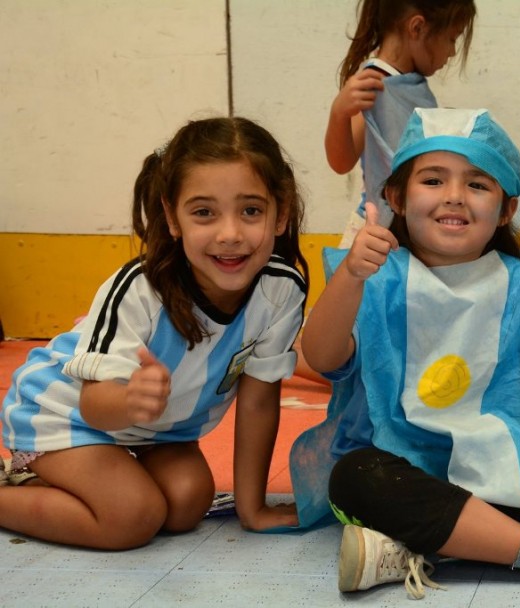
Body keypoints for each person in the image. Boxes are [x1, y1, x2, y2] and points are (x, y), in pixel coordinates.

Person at [298, 108, 520, 599]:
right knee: (355, 478)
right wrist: (349, 278)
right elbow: (322, 357)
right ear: (396, 197)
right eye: (432, 179)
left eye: (477, 184)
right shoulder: (375, 276)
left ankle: (414, 548)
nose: (454, 195)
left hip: (498, 466)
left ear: (507, 209)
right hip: (395, 465)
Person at [0, 117, 308, 549]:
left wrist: (251, 508)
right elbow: (93, 406)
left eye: (251, 210)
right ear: (172, 217)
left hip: (159, 434)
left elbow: (258, 402)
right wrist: (129, 399)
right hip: (65, 416)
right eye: (204, 212)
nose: (230, 234)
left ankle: (106, 477)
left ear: (282, 212)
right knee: (131, 518)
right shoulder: (140, 289)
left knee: (187, 503)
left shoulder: (283, 289)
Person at [327, 0, 477, 247]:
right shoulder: (373, 84)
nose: (451, 53)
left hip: (414, 229)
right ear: (417, 28)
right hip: (379, 233)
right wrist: (339, 114)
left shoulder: (414, 87)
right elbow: (341, 162)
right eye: (452, 38)